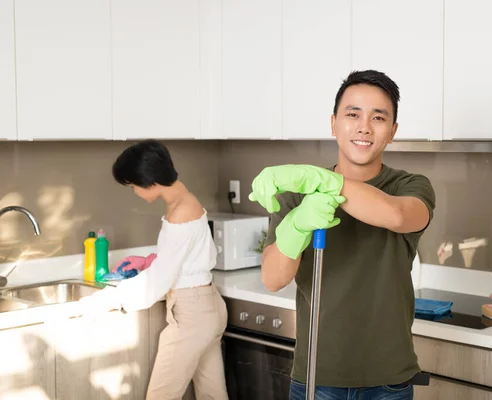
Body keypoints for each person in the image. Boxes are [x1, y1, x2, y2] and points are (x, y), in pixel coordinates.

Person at [248, 70, 436, 400]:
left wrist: (322, 182)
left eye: (378, 118)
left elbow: (396, 214)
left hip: (388, 382)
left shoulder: (410, 187)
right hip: (316, 379)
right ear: (333, 124)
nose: (364, 126)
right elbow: (273, 278)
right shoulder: (295, 195)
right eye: (353, 114)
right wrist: (296, 226)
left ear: (392, 132)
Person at [77, 139, 228, 400]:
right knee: (213, 395)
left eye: (134, 186)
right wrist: (150, 260)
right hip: (209, 308)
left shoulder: (180, 213)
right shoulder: (187, 200)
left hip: (192, 316)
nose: (135, 191)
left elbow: (155, 284)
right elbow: (189, 256)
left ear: (151, 182)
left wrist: (108, 299)